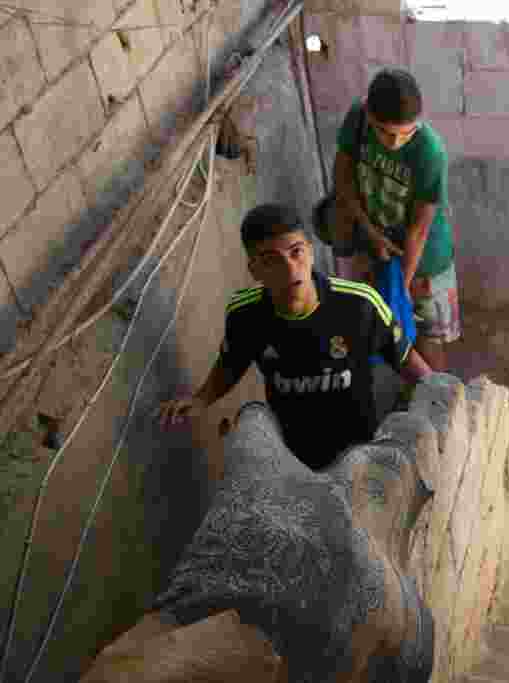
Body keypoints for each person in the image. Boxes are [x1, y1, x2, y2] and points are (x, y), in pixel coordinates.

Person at [158, 203, 432, 471]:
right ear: (254, 270)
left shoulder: (359, 304)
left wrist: (442, 400)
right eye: (271, 260)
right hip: (289, 459)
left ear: (311, 253)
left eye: (296, 252)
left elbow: (406, 359)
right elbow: (231, 364)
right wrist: (201, 399)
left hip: (357, 458)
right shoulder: (245, 314)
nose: (289, 268)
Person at [327, 67, 460, 373]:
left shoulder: (429, 151)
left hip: (425, 259)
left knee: (426, 338)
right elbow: (343, 177)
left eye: (406, 133)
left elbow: (419, 230)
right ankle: (411, 391)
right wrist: (369, 230)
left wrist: (401, 288)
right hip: (377, 246)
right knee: (387, 332)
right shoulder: (358, 119)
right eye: (385, 132)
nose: (394, 142)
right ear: (369, 115)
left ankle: (434, 398)